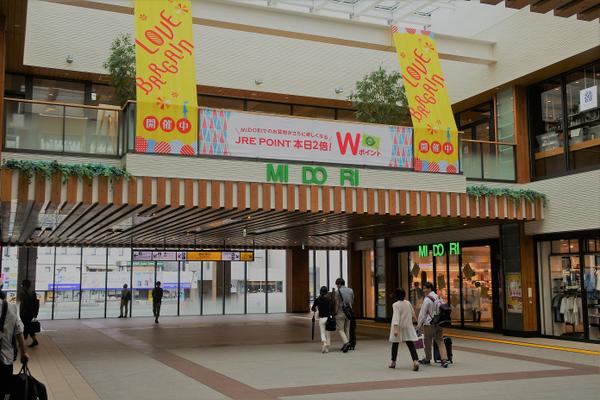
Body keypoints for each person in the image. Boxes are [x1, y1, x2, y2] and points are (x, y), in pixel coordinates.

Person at [1, 293, 29, 398]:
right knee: (4, 389)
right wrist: (23, 352)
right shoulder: (11, 307)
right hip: (5, 359)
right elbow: (19, 331)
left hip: (5, 357)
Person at [416, 282, 450, 368]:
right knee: (440, 340)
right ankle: (444, 360)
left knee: (427, 341)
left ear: (430, 288)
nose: (423, 290)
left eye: (425, 288)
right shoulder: (439, 297)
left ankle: (427, 359)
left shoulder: (427, 299)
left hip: (429, 323)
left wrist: (419, 325)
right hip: (439, 322)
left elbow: (422, 314)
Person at [389, 288, 420, 371]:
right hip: (408, 326)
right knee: (410, 344)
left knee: (395, 344)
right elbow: (413, 314)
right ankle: (415, 361)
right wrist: (417, 323)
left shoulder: (395, 305)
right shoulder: (407, 302)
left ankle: (393, 362)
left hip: (399, 327)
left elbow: (396, 317)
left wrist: (395, 329)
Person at [311, 286, 334, 353]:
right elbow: (332, 308)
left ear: (320, 291)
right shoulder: (329, 300)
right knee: (328, 333)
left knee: (322, 333)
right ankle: (327, 348)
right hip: (328, 318)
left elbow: (313, 308)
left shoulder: (317, 299)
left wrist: (315, 309)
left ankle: (324, 343)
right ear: (326, 292)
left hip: (321, 318)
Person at [334, 278, 354, 353]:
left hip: (340, 312)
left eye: (337, 284)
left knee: (340, 329)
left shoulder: (337, 292)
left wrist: (335, 312)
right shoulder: (350, 290)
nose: (336, 286)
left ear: (339, 284)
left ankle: (346, 343)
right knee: (347, 328)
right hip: (348, 312)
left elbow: (337, 303)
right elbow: (352, 300)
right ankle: (346, 345)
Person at [19, 279, 39, 347]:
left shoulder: (23, 293)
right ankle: (29, 340)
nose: (21, 287)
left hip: (25, 313)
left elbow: (23, 304)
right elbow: (36, 303)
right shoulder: (33, 293)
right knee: (27, 326)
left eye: (22, 285)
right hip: (31, 313)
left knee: (28, 326)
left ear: (25, 286)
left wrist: (21, 313)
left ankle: (29, 340)